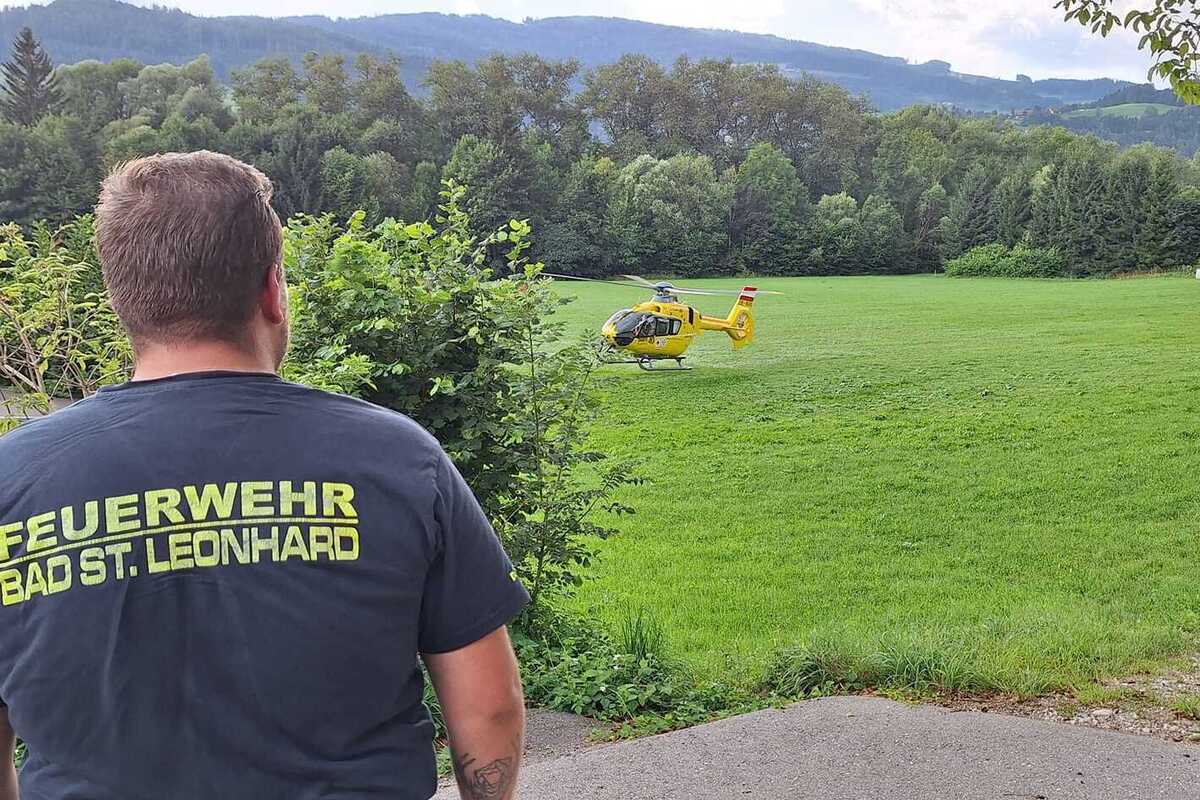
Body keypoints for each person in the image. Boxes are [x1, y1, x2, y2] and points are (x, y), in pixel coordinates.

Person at [0, 151, 528, 800]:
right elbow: (490, 707)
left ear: (122, 303)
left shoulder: (14, 481)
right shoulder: (399, 461)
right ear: (272, 290)